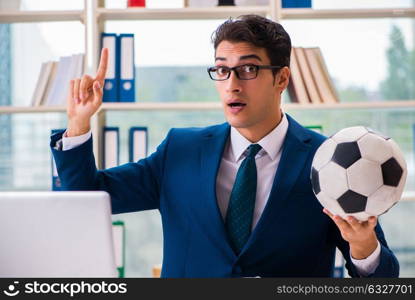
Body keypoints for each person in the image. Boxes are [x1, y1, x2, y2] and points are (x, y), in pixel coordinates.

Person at [50, 15, 399, 278]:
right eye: (221, 70)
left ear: (281, 79)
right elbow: (87, 195)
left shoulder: (329, 161)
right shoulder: (179, 150)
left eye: (247, 69)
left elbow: (383, 281)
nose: (231, 84)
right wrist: (79, 123)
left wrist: (363, 247)